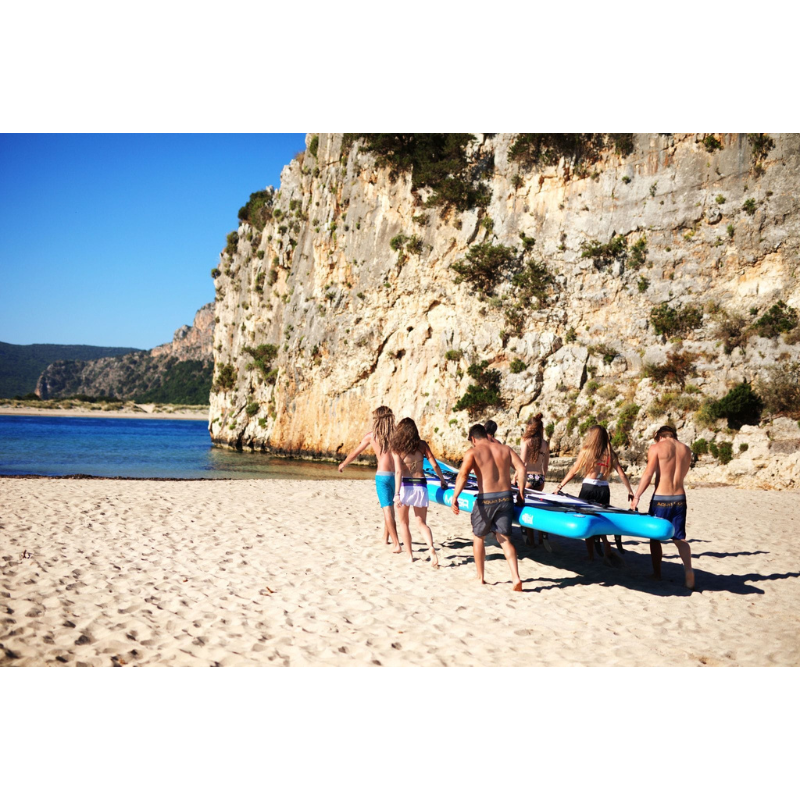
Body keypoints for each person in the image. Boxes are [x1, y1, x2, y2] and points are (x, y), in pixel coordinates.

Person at [451, 423, 527, 591]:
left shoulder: (473, 452)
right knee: (505, 539)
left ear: (473, 439)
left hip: (486, 499)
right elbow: (521, 468)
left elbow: (463, 475)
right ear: (486, 434)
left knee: (479, 537)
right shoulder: (505, 449)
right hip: (506, 498)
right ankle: (515, 578)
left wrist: (455, 496)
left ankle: (481, 577)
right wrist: (521, 493)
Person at [555, 424, 634, 563]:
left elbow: (573, 471)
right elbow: (621, 474)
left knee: (586, 520)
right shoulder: (610, 453)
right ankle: (605, 543)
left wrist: (559, 486)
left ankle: (590, 555)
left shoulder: (586, 451)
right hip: (603, 489)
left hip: (588, 488)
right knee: (601, 517)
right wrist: (630, 491)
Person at [630, 425, 695, 590]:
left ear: (659, 436)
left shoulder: (656, 448)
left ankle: (657, 573)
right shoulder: (686, 450)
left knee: (655, 537)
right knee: (680, 538)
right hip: (680, 498)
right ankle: (688, 571)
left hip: (661, 498)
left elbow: (648, 474)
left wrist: (637, 496)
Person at [338, 406, 401, 553]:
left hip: (382, 476)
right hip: (397, 475)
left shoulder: (372, 436)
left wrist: (343, 464)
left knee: (387, 509)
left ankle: (396, 543)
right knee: (390, 507)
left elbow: (355, 452)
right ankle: (386, 537)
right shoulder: (397, 435)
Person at [391, 418, 448, 567]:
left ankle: (410, 556)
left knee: (404, 523)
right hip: (421, 486)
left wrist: (396, 494)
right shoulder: (422, 445)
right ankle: (431, 548)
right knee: (421, 523)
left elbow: (398, 472)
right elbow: (435, 464)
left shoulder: (396, 448)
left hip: (405, 486)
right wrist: (442, 480)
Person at [519, 412, 551, 550]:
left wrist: (516, 478)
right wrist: (543, 477)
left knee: (527, 510)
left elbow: (522, 463)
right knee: (536, 507)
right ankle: (541, 537)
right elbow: (545, 466)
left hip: (529, 478)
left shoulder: (526, 441)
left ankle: (530, 541)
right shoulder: (545, 444)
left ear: (530, 427)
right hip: (540, 479)